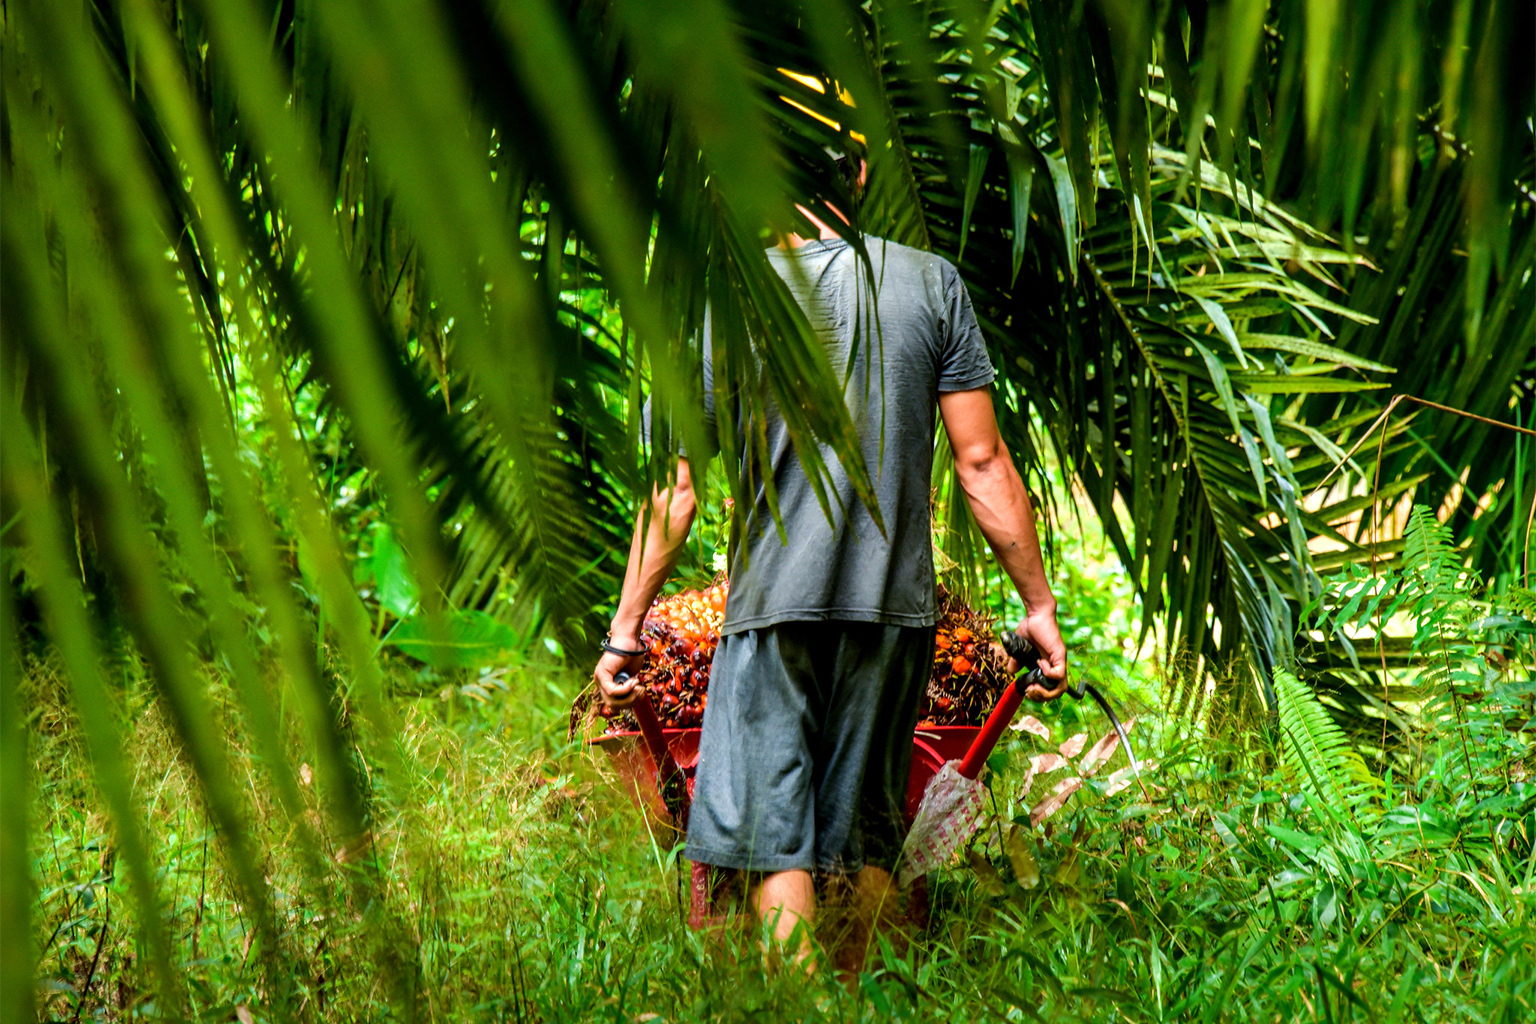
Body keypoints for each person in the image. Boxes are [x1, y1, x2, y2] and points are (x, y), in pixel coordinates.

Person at [592, 155, 1068, 965]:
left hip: (773, 612)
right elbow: (982, 462)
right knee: (867, 834)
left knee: (778, 841)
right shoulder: (932, 284)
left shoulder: (722, 304)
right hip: (894, 617)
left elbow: (674, 493)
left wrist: (626, 629)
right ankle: (875, 999)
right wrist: (1040, 607)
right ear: (856, 170)